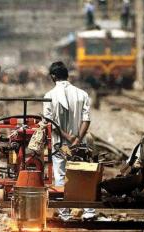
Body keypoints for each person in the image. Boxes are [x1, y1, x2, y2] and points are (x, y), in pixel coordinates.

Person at [43, 61, 95, 221]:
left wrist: (67, 136)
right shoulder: (82, 94)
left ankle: (65, 213)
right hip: (80, 144)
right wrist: (78, 138)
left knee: (60, 175)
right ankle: (89, 212)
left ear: (53, 76)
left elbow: (48, 121)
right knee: (84, 174)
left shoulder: (49, 96)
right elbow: (86, 119)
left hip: (60, 144)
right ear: (67, 75)